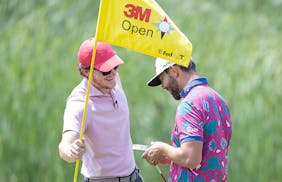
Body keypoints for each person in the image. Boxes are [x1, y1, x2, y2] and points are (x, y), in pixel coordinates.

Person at [58, 37, 143, 182]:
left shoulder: (113, 80)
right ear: (86, 71)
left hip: (134, 177)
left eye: (115, 67)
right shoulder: (79, 103)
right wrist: (71, 151)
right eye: (105, 71)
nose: (112, 73)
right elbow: (64, 145)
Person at [142, 58, 232, 181]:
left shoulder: (189, 104)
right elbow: (208, 150)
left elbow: (190, 158)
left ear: (174, 70)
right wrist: (168, 155)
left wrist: (162, 148)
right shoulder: (218, 99)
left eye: (162, 78)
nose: (163, 86)